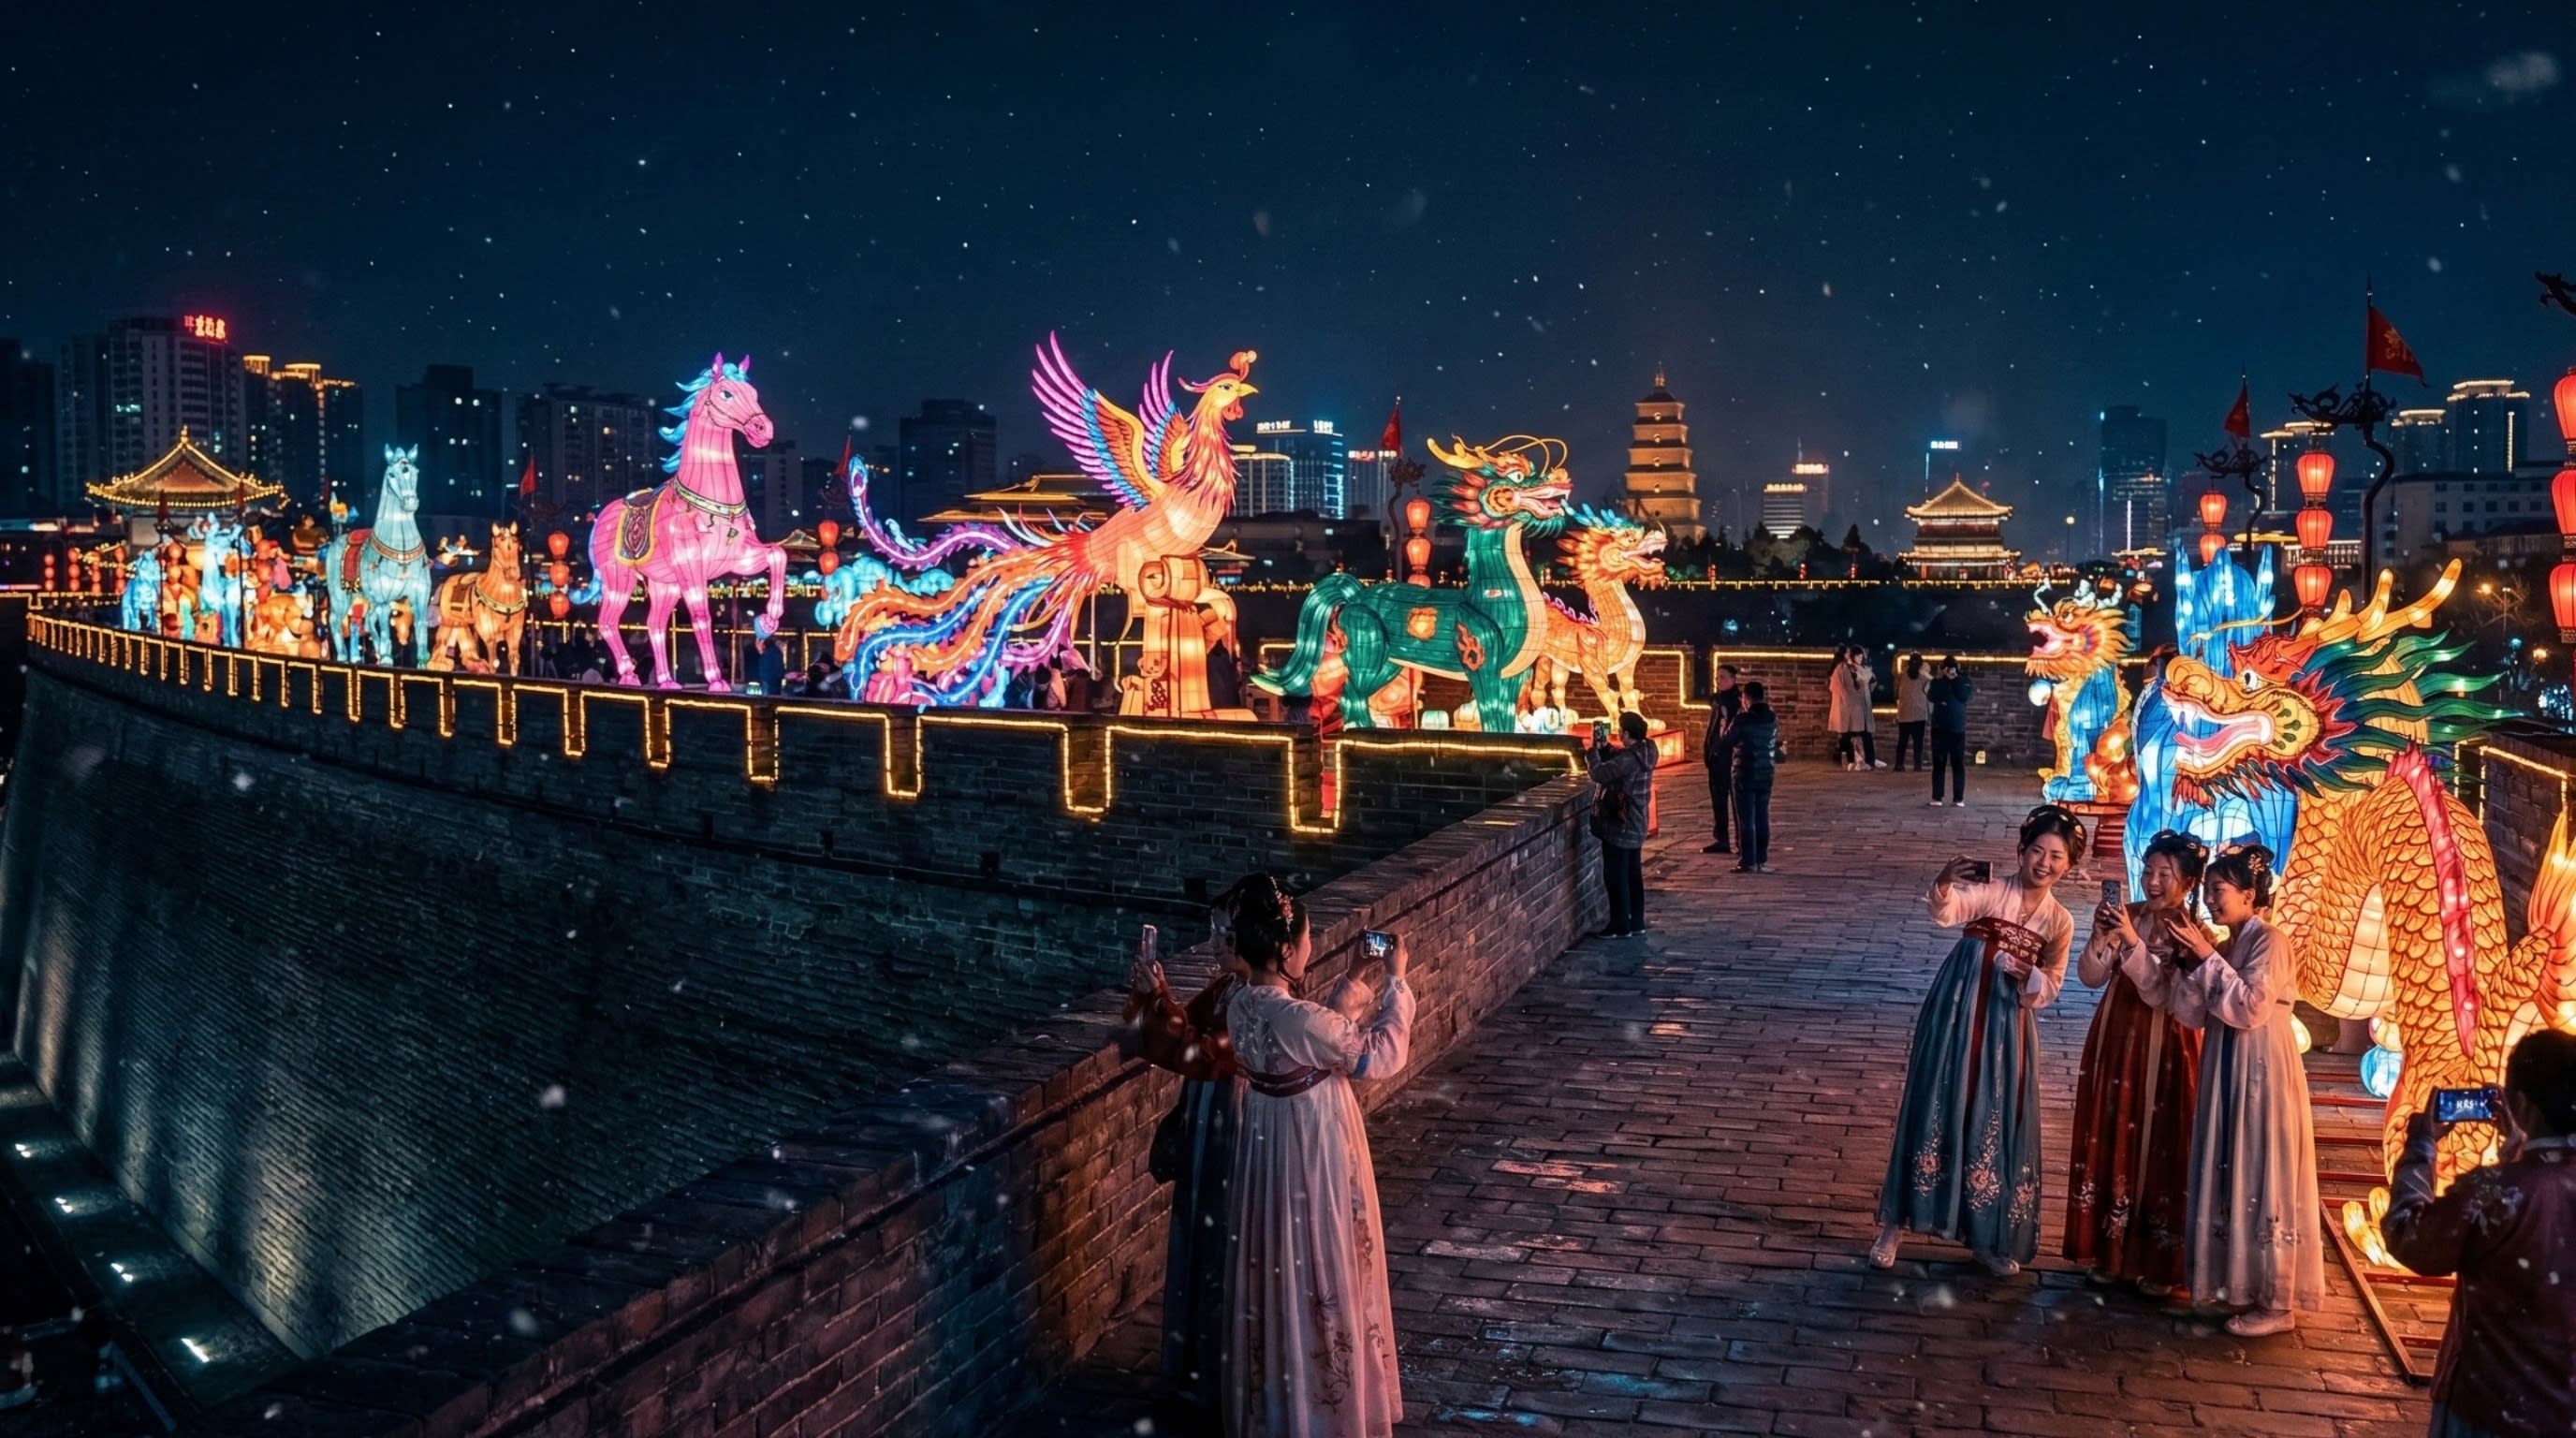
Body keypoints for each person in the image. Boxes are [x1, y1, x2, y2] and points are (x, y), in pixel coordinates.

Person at [1222, 874, 1412, 1438]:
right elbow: (1378, 1056)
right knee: (1321, 1260)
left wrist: (1355, 976)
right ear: (1285, 950)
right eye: (1304, 939)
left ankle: (1280, 1399)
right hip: (1312, 1150)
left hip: (1266, 1144)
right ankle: (1327, 1408)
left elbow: (1309, 1034)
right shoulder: (1297, 1020)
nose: (1309, 946)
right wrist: (1396, 981)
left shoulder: (1241, 1006)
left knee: (1277, 1259)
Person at [1872, 806, 2082, 1275]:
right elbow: (1948, 912)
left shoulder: (2059, 922)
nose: (2044, 863)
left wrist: (2031, 976)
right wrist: (1945, 882)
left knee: (1992, 1114)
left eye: (2057, 856)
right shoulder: (1992, 891)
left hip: (2008, 1028)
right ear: (2021, 851)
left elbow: (2052, 985)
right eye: (2036, 851)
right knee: (1935, 1101)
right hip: (1958, 1010)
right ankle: (1894, 1224)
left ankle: (1985, 1236)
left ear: (2069, 865)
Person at [2152, 844, 2325, 1335]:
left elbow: (2249, 1008)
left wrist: (2206, 956)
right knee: (2233, 1166)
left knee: (2261, 1167)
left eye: (2219, 890)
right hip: (2228, 1066)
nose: (2209, 899)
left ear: (2250, 896)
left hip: (2262, 1070)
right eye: (2206, 890)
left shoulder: (2271, 941)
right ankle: (2239, 1288)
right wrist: (2190, 962)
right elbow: (2189, 1013)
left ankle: (2277, 1300)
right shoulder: (2230, 945)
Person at [2383, 1029, 2576, 1438]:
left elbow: (2410, 1237)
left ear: (2518, 1102)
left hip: (2489, 1404)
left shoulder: (2496, 1191)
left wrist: (2421, 1148)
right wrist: (2520, 1148)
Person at [1125, 906, 1253, 1431]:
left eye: (1223, 933)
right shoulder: (1228, 987)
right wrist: (1155, 995)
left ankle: (1220, 1372)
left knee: (1224, 1236)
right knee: (1202, 1233)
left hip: (1235, 1116)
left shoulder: (1259, 1001)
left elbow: (1198, 1049)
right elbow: (1181, 1030)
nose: (1215, 942)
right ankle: (1198, 1364)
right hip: (1209, 1112)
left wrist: (1157, 1003)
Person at [2066, 829, 2208, 1296]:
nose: (2152, 881)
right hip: (2116, 1037)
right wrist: (2103, 940)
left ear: (2187, 883)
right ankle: (2109, 1252)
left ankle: (2156, 1261)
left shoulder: (2194, 932)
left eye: (2165, 874)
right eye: (2148, 871)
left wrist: (2131, 943)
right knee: (2110, 1134)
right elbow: (2089, 978)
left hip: (2167, 1045)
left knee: (2162, 1140)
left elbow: (2161, 993)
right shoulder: (2124, 915)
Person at [1587, 710, 1656, 935]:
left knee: (1615, 875)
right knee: (1633, 873)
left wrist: (1592, 753)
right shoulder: (1648, 750)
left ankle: (1619, 925)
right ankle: (1636, 922)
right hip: (1638, 820)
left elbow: (1599, 773)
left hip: (1621, 822)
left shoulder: (1628, 759)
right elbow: (1621, 760)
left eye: (1620, 730)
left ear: (1626, 733)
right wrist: (1607, 749)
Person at [1725, 681, 1778, 873]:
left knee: (1746, 818)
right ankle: (1761, 859)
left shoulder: (1742, 719)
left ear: (1746, 699)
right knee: (1762, 816)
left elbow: (1726, 742)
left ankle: (1747, 860)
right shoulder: (1772, 717)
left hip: (1744, 771)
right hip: (1766, 772)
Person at [1701, 663, 1743, 855]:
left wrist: (1719, 748)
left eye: (1723, 677)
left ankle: (1741, 841)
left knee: (1736, 801)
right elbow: (1713, 728)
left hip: (1729, 756)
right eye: (1717, 678)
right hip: (1716, 756)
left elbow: (1727, 731)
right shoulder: (1718, 701)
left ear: (1733, 680)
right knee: (1718, 799)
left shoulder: (1736, 702)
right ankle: (1722, 839)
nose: (1719, 681)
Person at [1926, 655, 1971, 806]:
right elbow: (1932, 696)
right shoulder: (1938, 682)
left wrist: (1955, 679)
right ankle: (1937, 796)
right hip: (1939, 727)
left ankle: (1958, 798)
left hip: (1957, 728)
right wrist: (1942, 679)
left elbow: (1964, 696)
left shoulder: (1964, 681)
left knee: (1958, 763)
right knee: (1939, 763)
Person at [1835, 648, 1884, 770]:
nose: (1860, 659)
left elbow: (1871, 682)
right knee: (1849, 734)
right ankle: (1851, 760)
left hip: (1863, 704)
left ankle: (1869, 760)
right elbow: (1848, 686)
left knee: (1866, 734)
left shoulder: (1864, 669)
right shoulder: (1846, 669)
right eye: (1858, 656)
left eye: (1861, 657)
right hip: (1854, 706)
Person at [1894, 653, 1930, 771]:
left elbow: (1896, 693)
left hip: (1904, 713)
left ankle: (1899, 764)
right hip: (1919, 713)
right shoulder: (1924, 677)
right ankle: (1917, 765)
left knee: (1902, 742)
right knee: (1918, 743)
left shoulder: (1902, 675)